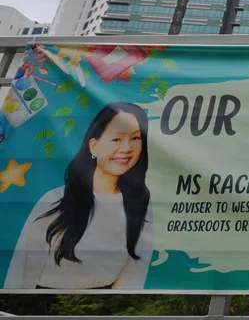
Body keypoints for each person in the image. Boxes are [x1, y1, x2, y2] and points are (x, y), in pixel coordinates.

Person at [4, 103, 153, 290]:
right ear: (94, 145)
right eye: (116, 139)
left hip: (105, 311)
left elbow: (133, 275)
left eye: (135, 138)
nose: (126, 148)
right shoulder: (55, 201)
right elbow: (21, 272)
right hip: (40, 306)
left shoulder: (140, 203)